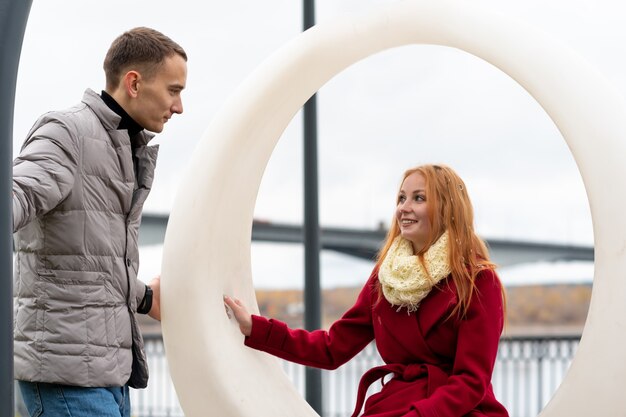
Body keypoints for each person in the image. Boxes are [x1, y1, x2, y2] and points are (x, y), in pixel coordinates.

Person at [225, 164, 509, 417]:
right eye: (401, 198)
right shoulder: (385, 278)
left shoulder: (478, 281)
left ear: (448, 208)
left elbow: (471, 382)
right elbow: (331, 348)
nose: (403, 207)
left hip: (457, 411)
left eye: (418, 198)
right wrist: (257, 329)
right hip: (397, 404)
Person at [12, 27, 187, 416]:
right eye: (174, 90)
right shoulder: (67, 132)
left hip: (108, 377)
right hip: (66, 377)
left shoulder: (121, 146)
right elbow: (18, 195)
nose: (179, 107)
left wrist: (144, 297)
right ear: (134, 83)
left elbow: (88, 260)